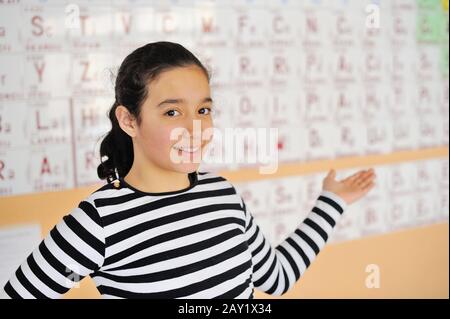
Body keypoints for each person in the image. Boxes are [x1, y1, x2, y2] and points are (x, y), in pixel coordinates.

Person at [1, 41, 376, 299]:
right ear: (129, 120)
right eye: (171, 112)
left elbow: (276, 278)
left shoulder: (223, 195)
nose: (195, 128)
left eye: (203, 110)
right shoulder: (98, 223)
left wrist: (332, 202)